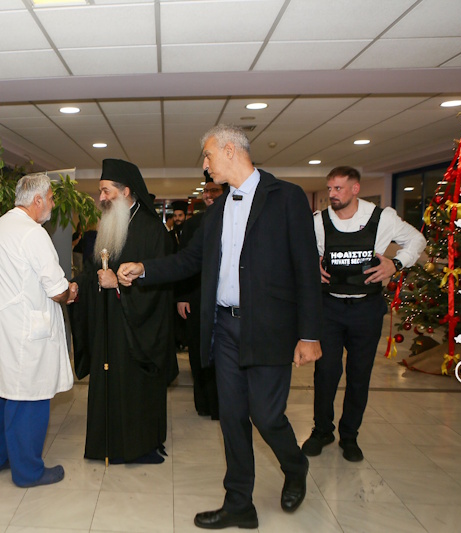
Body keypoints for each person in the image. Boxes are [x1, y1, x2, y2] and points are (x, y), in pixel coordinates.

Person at [118, 124, 322, 529]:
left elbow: (306, 268)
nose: (206, 165)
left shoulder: (286, 197)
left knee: (266, 416)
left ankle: (295, 465)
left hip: (269, 328)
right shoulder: (216, 211)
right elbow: (189, 260)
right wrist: (144, 269)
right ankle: (238, 502)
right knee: (231, 417)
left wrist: (310, 334)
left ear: (230, 150)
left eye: (208, 155)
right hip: (224, 327)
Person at [302, 166, 426, 462]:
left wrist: (396, 264)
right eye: (330, 188)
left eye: (338, 188)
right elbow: (300, 250)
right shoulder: (318, 221)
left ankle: (349, 436)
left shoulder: (382, 218)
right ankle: (322, 431)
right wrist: (312, 263)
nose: (332, 194)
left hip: (366, 309)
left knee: (359, 375)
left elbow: (417, 240)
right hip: (329, 308)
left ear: (355, 189)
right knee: (326, 373)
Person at [70, 158, 178, 464]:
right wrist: (78, 285)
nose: (101, 197)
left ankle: (139, 447)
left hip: (138, 332)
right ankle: (107, 443)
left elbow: (161, 283)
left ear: (126, 190)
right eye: (101, 191)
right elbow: (95, 271)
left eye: (106, 191)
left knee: (135, 388)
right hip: (108, 326)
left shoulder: (152, 230)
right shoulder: (108, 226)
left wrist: (117, 285)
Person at [0, 172, 78, 488]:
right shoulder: (33, 234)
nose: (52, 204)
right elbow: (56, 289)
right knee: (28, 398)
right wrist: (71, 291)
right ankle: (28, 472)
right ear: (37, 200)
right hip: (23, 331)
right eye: (51, 198)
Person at [176, 172, 227, 420]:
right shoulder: (193, 224)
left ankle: (222, 405)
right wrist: (182, 296)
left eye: (213, 191)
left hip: (225, 298)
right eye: (205, 191)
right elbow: (183, 262)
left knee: (223, 355)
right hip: (196, 296)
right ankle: (204, 402)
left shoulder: (235, 218)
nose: (208, 195)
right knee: (198, 351)